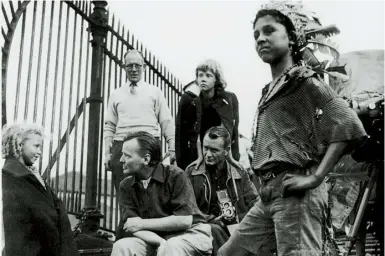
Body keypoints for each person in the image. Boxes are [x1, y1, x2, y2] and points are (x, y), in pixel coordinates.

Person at [218, 2, 367, 256]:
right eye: (256, 35)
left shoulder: (303, 79)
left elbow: (348, 123)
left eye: (269, 31)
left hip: (295, 192)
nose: (261, 39)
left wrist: (316, 177)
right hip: (268, 194)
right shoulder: (271, 89)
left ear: (291, 39)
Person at [111, 131, 213, 256]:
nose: (121, 160)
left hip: (191, 234)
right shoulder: (125, 186)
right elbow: (132, 226)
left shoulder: (176, 175)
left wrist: (142, 223)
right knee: (122, 246)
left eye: (127, 156)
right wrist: (160, 242)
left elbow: (185, 220)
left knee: (172, 246)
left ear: (146, 159)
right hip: (155, 237)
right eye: (122, 154)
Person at [2, 123, 79, 256]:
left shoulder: (24, 173)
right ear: (20, 145)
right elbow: (44, 218)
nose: (39, 152)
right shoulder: (19, 176)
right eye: (36, 146)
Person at [104, 49, 176, 190]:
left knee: (152, 192)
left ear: (144, 67)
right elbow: (110, 126)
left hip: (149, 145)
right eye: (129, 66)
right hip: (122, 147)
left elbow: (166, 121)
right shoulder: (116, 94)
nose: (134, 69)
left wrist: (172, 148)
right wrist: (107, 153)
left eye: (137, 65)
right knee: (125, 193)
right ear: (124, 67)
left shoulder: (155, 92)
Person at [186, 126, 258, 255]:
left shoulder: (239, 172)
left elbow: (255, 205)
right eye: (205, 148)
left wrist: (235, 219)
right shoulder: (192, 172)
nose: (208, 154)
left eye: (214, 150)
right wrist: (211, 219)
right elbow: (187, 208)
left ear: (227, 150)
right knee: (214, 230)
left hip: (236, 230)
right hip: (205, 229)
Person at [175, 59, 240, 171]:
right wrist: (182, 164)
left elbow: (233, 130)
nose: (203, 79)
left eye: (208, 75)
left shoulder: (229, 99)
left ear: (216, 79)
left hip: (220, 156)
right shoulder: (189, 99)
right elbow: (180, 134)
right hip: (196, 157)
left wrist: (234, 156)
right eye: (200, 75)